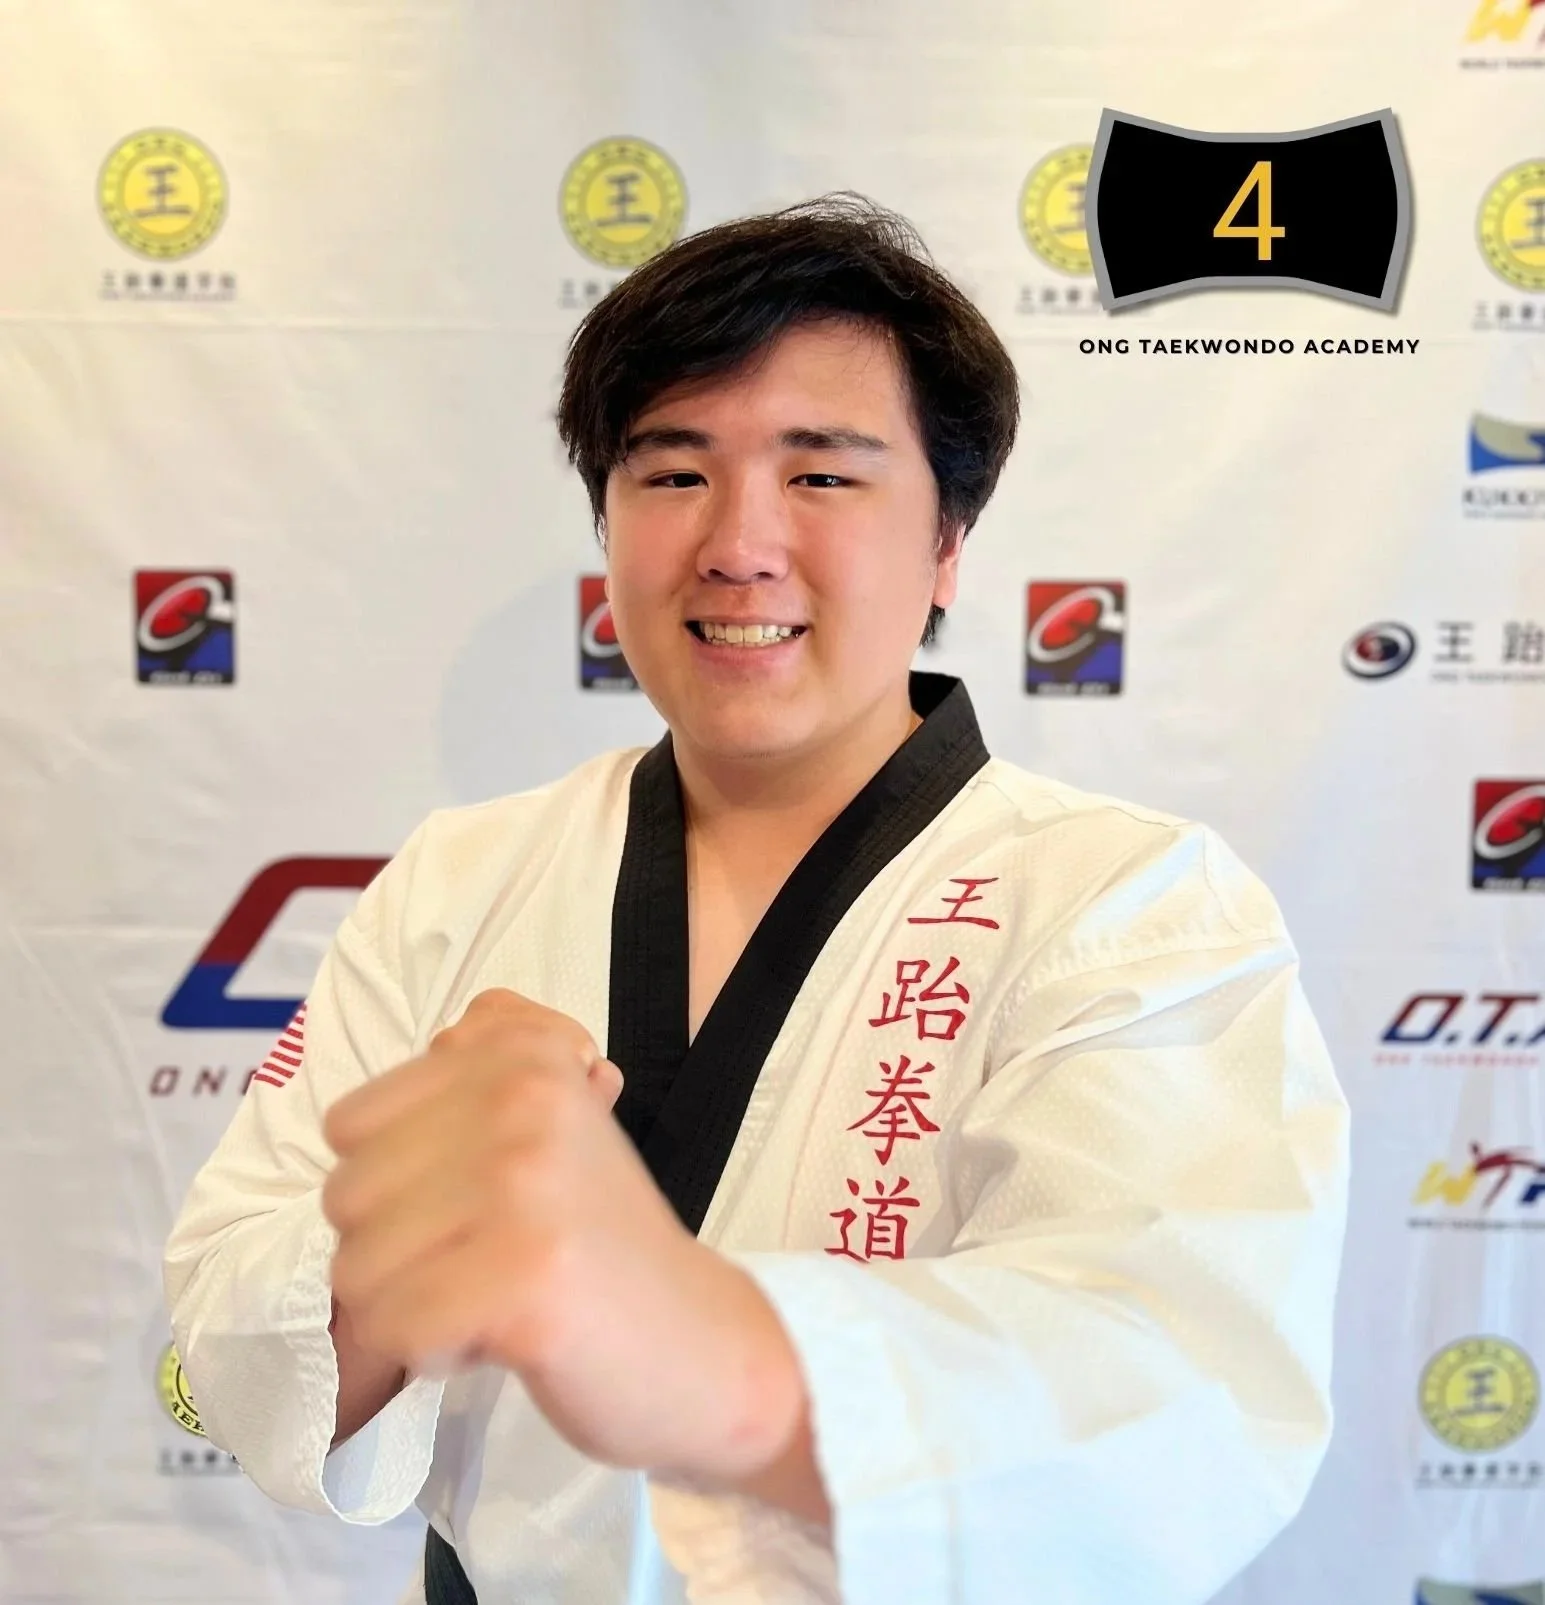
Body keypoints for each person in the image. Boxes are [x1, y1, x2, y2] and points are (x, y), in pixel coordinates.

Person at [163, 195, 1349, 1605]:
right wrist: (390, 1251)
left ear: (948, 542)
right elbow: (232, 1307)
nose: (738, 542)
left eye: (823, 477)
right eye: (672, 475)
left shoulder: (1129, 903)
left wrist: (705, 1357)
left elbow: (1177, 1391)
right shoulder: (462, 876)